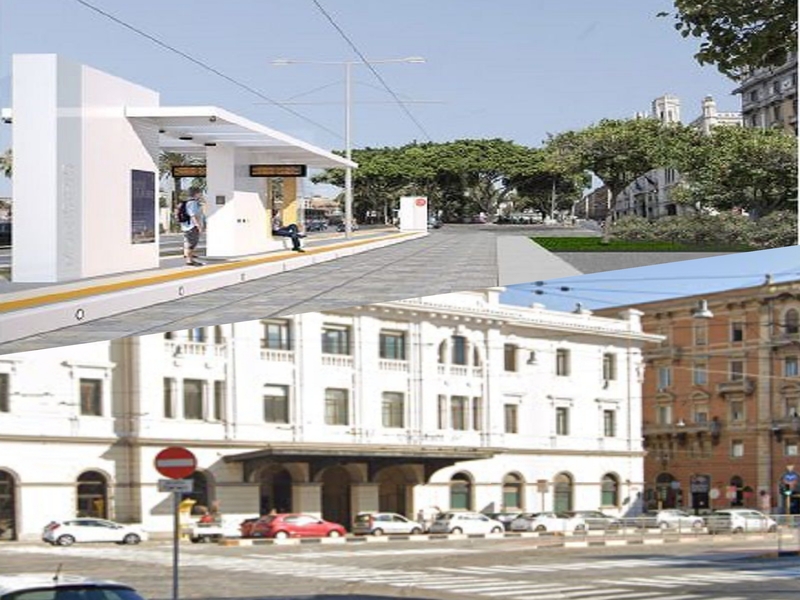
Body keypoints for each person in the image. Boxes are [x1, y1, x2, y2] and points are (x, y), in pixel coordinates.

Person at [181, 187, 205, 266]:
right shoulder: (193, 203)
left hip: (187, 226)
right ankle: (190, 261)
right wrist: (198, 226)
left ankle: (189, 257)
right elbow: (193, 216)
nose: (201, 194)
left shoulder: (189, 202)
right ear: (196, 193)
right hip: (192, 226)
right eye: (200, 193)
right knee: (191, 244)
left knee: (189, 242)